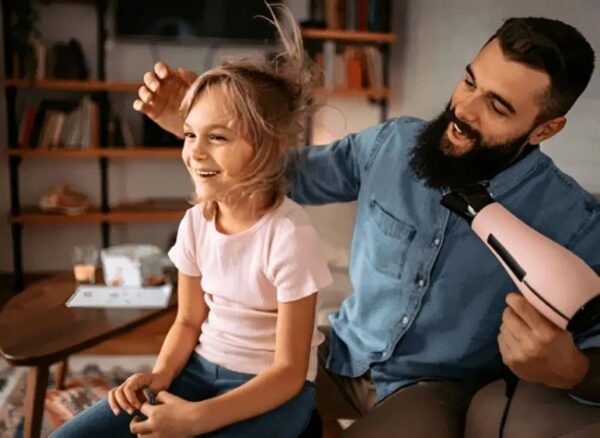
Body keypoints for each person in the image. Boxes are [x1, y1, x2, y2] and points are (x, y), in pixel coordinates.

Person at [133, 17, 600, 437]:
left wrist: (574, 369)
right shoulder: (392, 145)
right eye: (469, 81)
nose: (464, 109)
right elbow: (277, 172)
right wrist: (206, 129)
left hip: (429, 391)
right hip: (336, 356)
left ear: (545, 129)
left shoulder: (574, 222)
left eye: (497, 107)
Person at [51, 5, 332, 438]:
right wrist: (159, 377)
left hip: (271, 392)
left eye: (217, 137)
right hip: (199, 371)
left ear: (269, 146)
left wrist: (198, 418)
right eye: (190, 134)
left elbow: (289, 371)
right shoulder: (195, 224)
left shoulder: (291, 237)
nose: (195, 152)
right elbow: (187, 321)